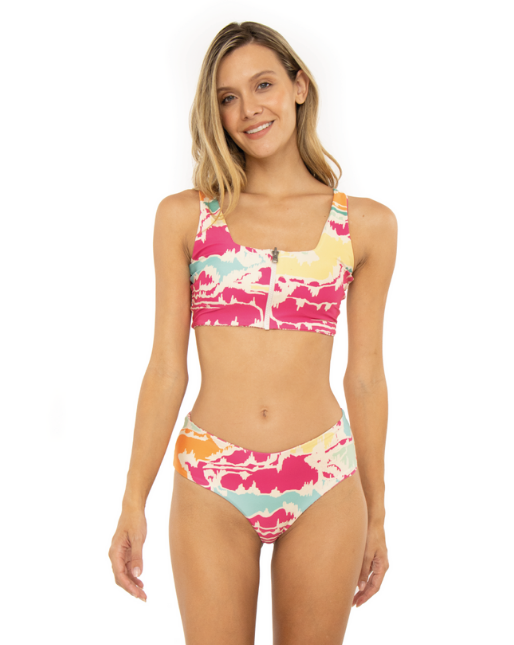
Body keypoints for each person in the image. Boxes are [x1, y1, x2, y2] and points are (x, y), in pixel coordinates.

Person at [109, 20, 397, 644]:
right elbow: (166, 368)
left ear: (299, 87)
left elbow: (366, 376)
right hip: (213, 475)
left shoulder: (365, 226)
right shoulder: (186, 218)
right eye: (228, 97)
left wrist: (377, 513)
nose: (248, 110)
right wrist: (133, 500)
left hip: (324, 478)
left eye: (263, 85)